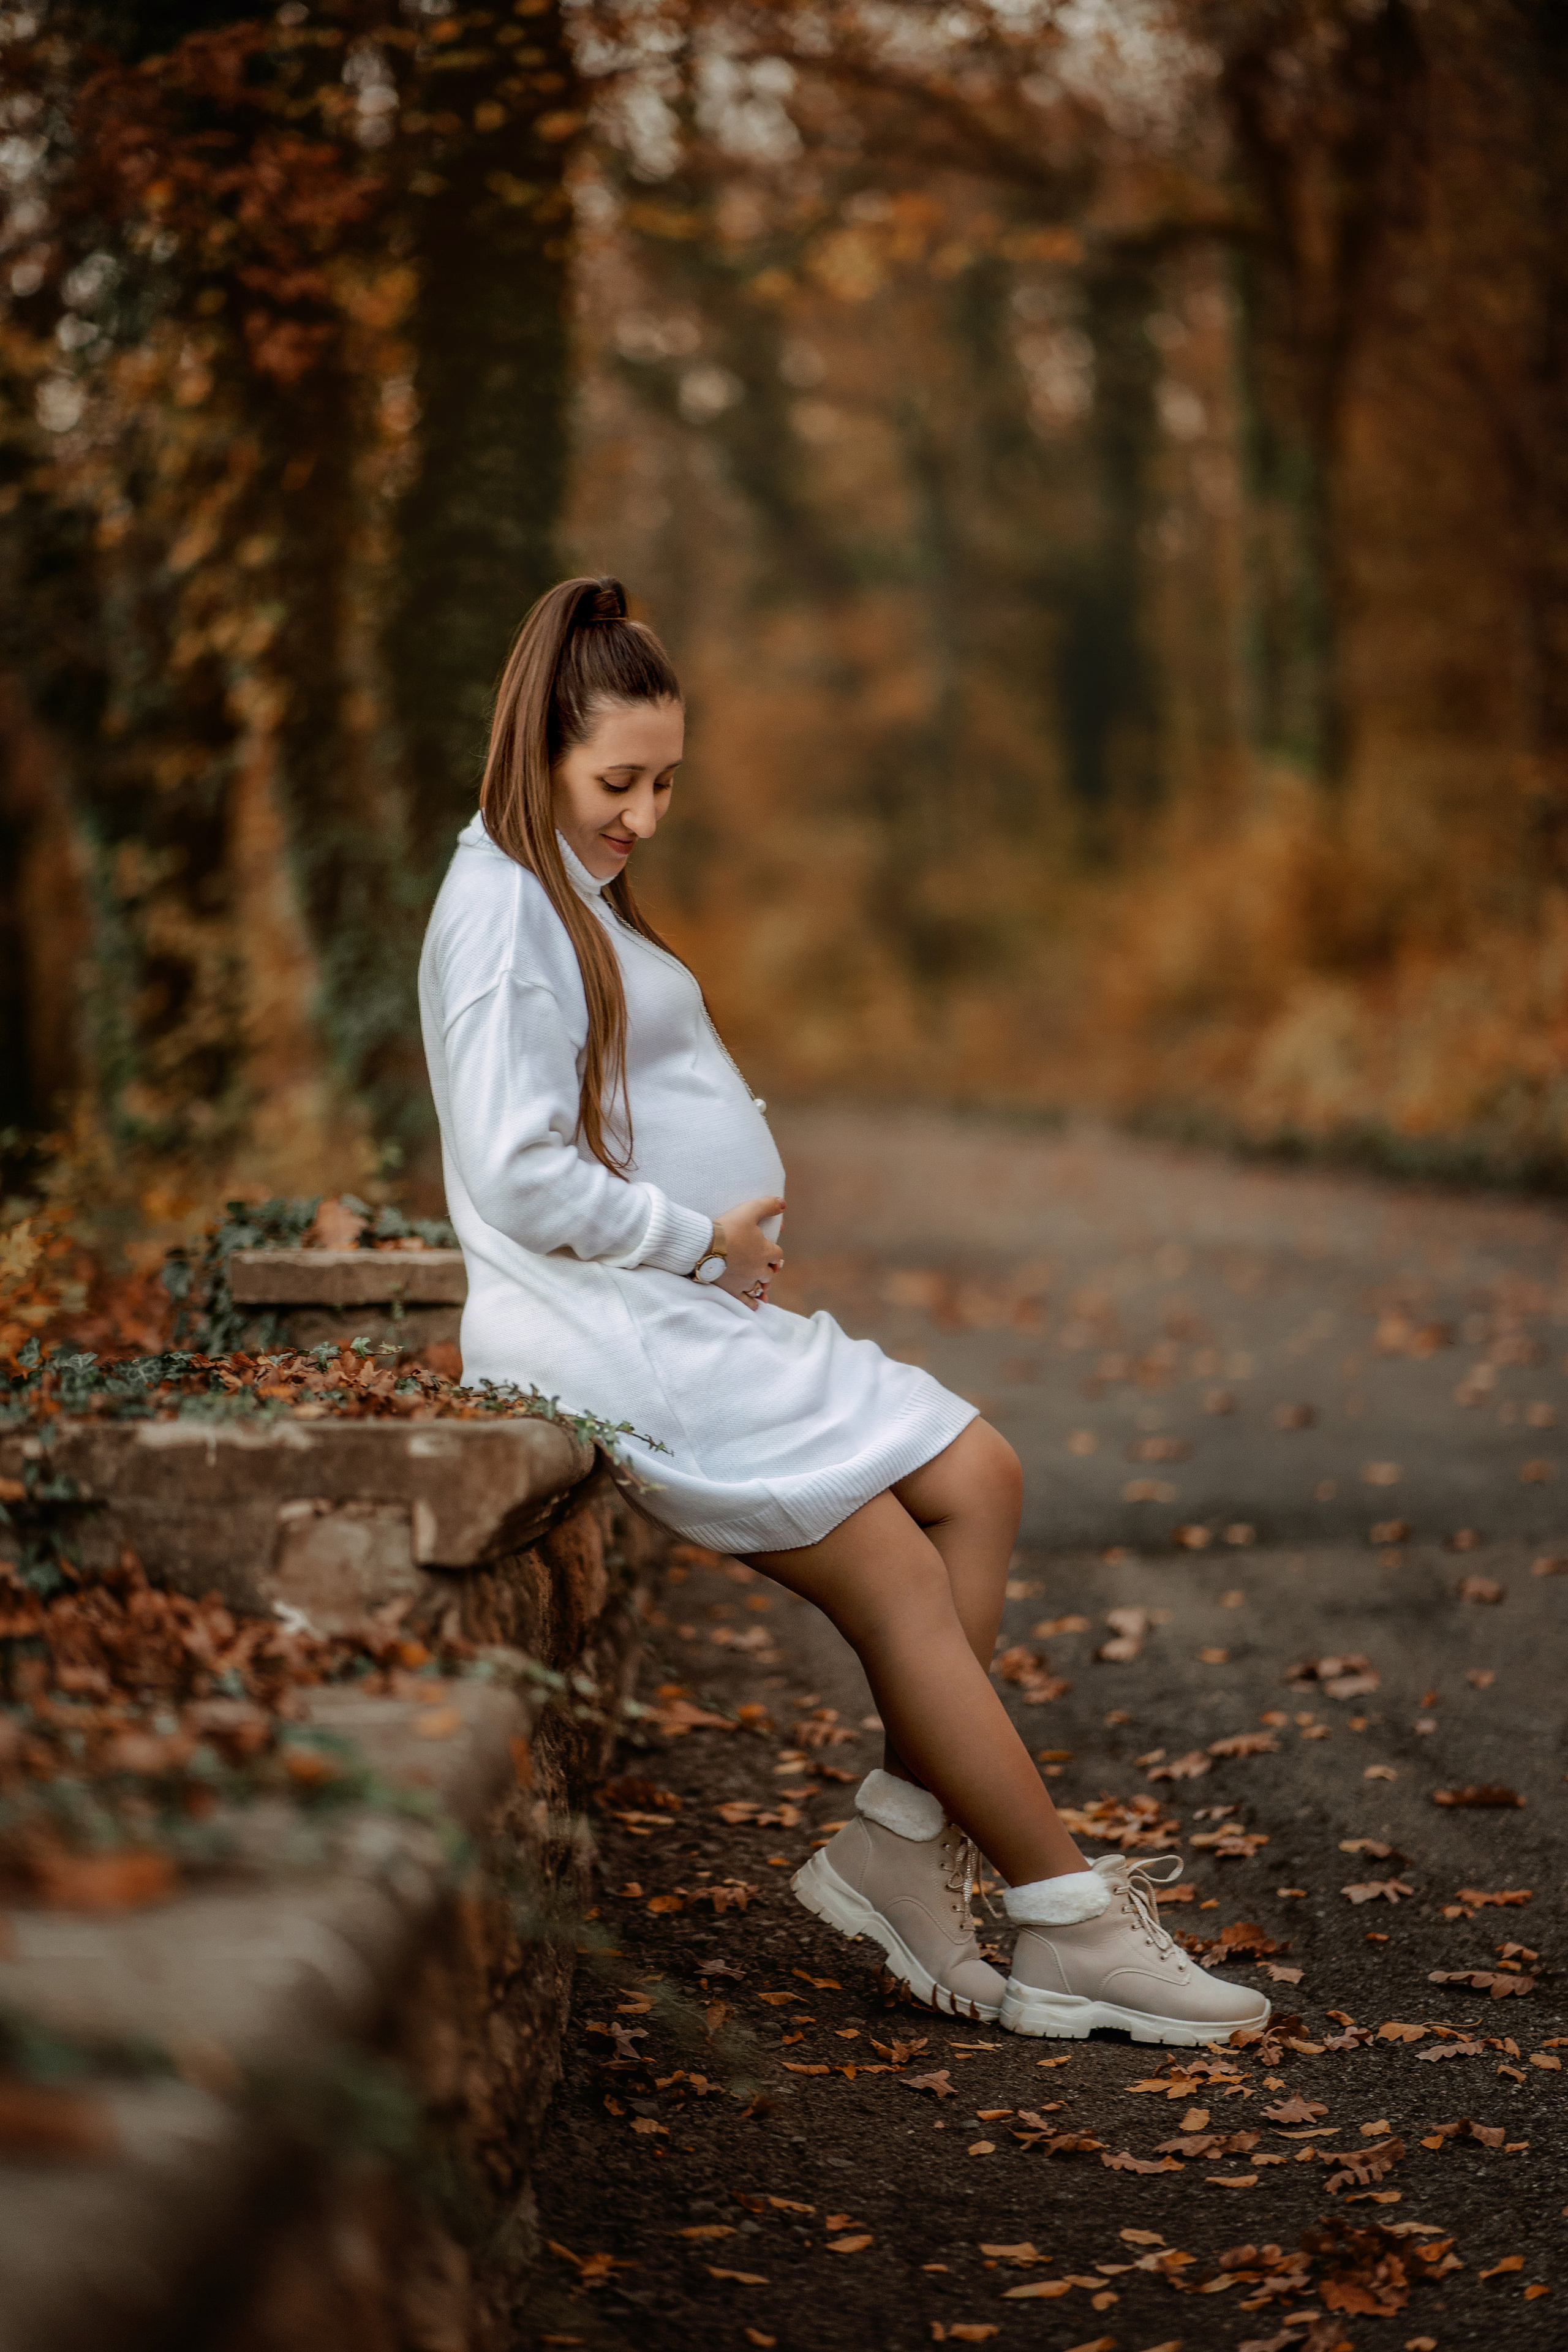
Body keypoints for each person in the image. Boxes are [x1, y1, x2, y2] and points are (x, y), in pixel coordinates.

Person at [419, 575, 1268, 2046]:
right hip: (618, 1330)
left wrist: (702, 1252)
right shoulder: (503, 912)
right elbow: (512, 1172)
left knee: (978, 1476)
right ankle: (1066, 1919)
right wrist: (694, 1241)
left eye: (666, 783)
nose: (645, 816)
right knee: (895, 1578)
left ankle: (894, 1845)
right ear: (536, 750)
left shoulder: (562, 888)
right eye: (618, 782)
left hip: (675, 1313)